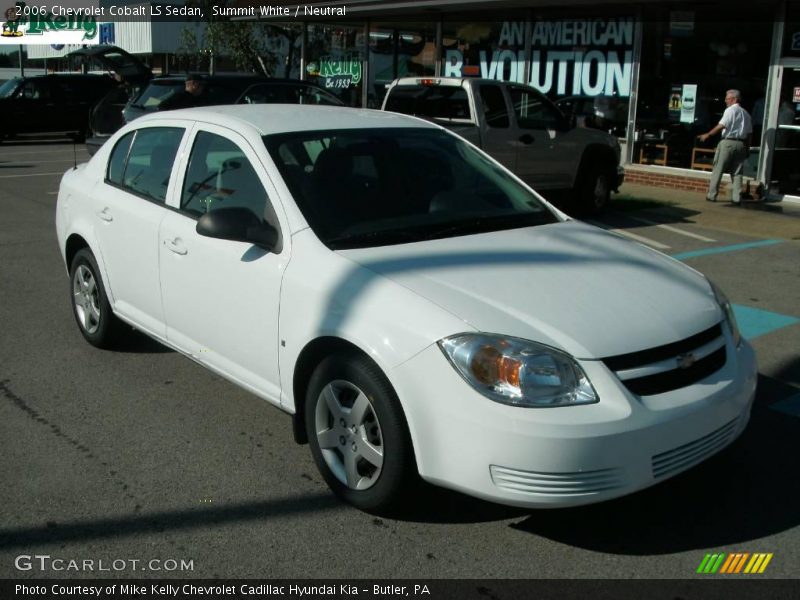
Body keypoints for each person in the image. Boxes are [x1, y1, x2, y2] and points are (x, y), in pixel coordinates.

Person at [698, 89, 753, 206]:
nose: (725, 101)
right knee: (737, 173)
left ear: (735, 99)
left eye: (727, 98)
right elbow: (749, 134)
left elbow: (722, 125)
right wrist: (747, 148)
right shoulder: (746, 114)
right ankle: (737, 198)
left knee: (718, 169)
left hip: (728, 142)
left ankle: (711, 195)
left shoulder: (730, 110)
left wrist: (708, 134)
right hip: (741, 144)